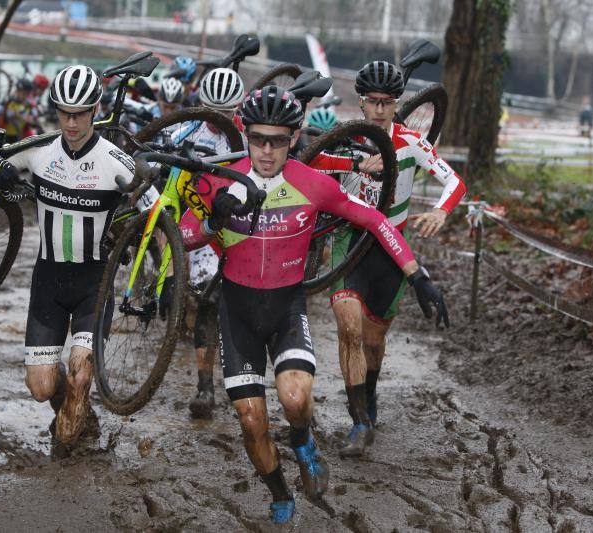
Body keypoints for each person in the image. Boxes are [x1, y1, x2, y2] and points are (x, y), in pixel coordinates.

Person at [178, 85, 448, 523]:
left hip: (285, 305)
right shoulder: (220, 180)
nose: (267, 151)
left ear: (295, 136)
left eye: (279, 141)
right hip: (237, 311)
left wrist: (418, 276)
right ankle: (280, 493)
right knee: (251, 421)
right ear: (245, 133)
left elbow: (376, 220)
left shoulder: (314, 184)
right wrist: (212, 220)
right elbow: (183, 240)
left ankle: (303, 440)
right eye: (259, 139)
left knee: (295, 397)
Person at [0, 65, 158, 446]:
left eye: (80, 113)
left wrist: (160, 281)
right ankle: (75, 407)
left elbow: (157, 219)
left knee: (81, 373)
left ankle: (73, 439)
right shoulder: (38, 149)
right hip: (48, 281)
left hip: (94, 284)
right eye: (64, 113)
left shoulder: (115, 160)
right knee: (40, 387)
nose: (71, 122)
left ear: (95, 110)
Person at [311, 60, 466, 457]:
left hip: (392, 245)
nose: (379, 110)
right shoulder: (343, 137)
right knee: (348, 328)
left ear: (397, 104)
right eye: (372, 102)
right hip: (350, 240)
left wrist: (441, 211)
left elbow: (454, 180)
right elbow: (310, 163)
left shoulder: (411, 142)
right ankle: (359, 421)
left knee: (374, 341)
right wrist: (355, 164)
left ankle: (371, 395)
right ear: (360, 102)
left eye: (387, 102)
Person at [167, 67, 246, 418]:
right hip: (200, 219)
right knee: (207, 301)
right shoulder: (184, 128)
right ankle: (204, 387)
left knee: (244, 307)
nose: (219, 120)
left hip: (242, 224)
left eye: (226, 114)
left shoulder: (248, 136)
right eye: (212, 112)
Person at [0, 78, 40, 143]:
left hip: (17, 136)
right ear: (17, 91)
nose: (25, 96)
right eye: (23, 93)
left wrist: (31, 120)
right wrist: (15, 114)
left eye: (27, 94)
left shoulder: (29, 104)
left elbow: (35, 119)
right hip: (2, 134)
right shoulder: (7, 101)